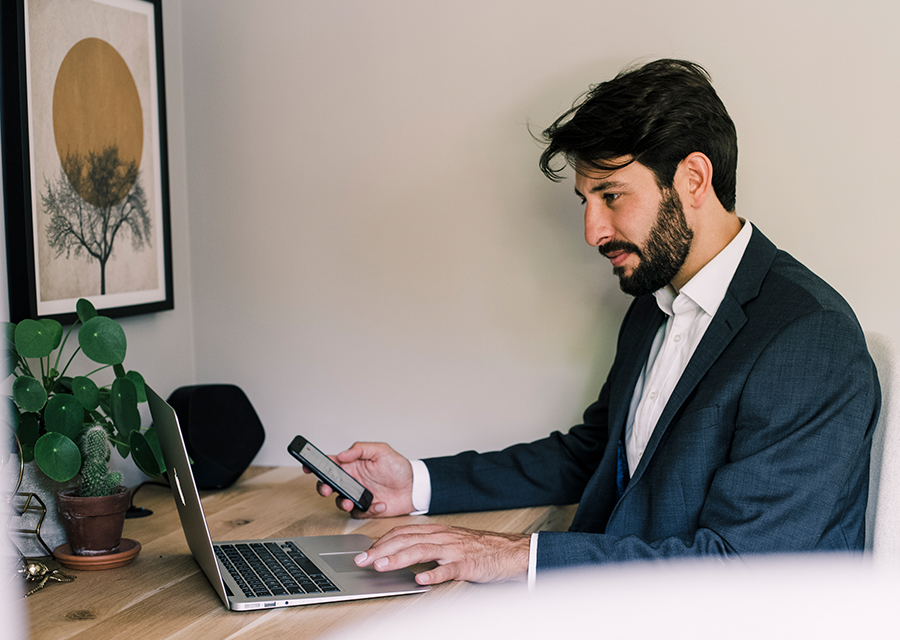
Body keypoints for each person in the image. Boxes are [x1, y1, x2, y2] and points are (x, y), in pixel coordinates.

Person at [309, 59, 880, 586]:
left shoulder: (809, 337)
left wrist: (518, 556)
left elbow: (745, 571)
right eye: (585, 200)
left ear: (693, 178)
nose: (592, 231)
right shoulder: (651, 304)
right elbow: (596, 455)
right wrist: (417, 482)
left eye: (611, 195)